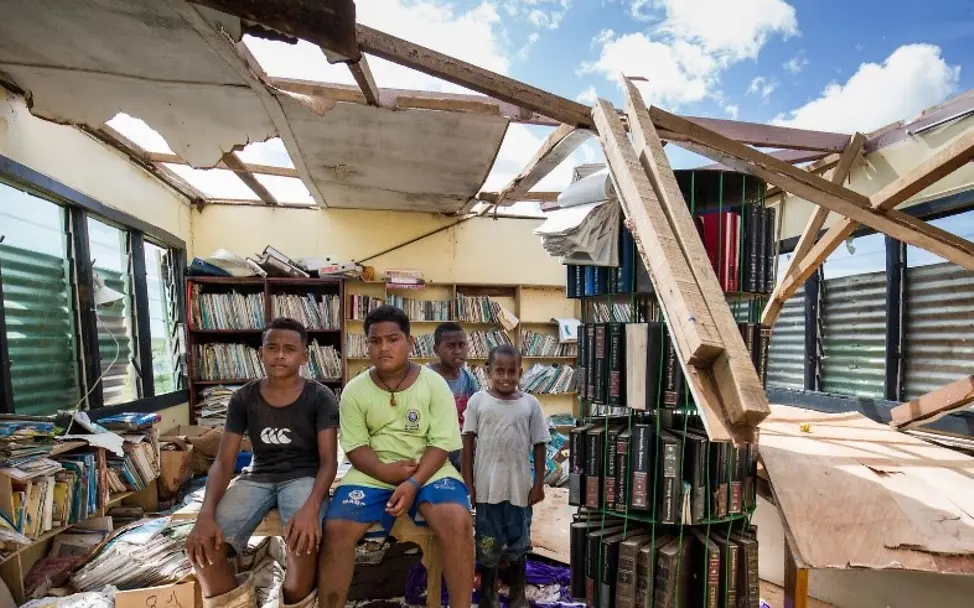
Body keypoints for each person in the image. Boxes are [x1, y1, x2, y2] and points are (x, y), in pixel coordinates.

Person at [318, 305, 474, 608]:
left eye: (392, 339)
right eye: (375, 341)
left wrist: (414, 482)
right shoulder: (354, 391)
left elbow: (442, 442)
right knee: (336, 530)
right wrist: (386, 472)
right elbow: (355, 446)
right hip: (372, 471)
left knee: (458, 522)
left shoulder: (434, 384)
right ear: (367, 346)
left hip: (430, 468)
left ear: (410, 343)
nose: (383, 348)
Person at [185, 318, 339, 608]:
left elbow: (329, 462)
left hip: (303, 476)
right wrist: (204, 515)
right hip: (257, 476)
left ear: (304, 356)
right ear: (261, 354)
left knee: (302, 544)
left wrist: (311, 508)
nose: (280, 354)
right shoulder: (244, 398)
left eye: (290, 349)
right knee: (203, 548)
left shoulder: (320, 396)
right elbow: (223, 460)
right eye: (272, 348)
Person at [461, 344, 549, 608]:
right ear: (488, 371)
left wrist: (539, 484)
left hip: (519, 491)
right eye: (500, 371)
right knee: (488, 544)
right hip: (487, 491)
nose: (506, 377)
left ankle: (517, 594)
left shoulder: (530, 404)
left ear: (520, 373)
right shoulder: (478, 401)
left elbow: (541, 443)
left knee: (519, 543)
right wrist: (469, 484)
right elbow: (467, 444)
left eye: (512, 372)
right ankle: (488, 595)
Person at [427, 321, 479, 472]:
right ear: (436, 350)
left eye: (462, 345)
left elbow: (477, 414)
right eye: (451, 346)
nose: (457, 351)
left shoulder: (468, 379)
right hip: (434, 448)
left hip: (462, 449)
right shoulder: (426, 377)